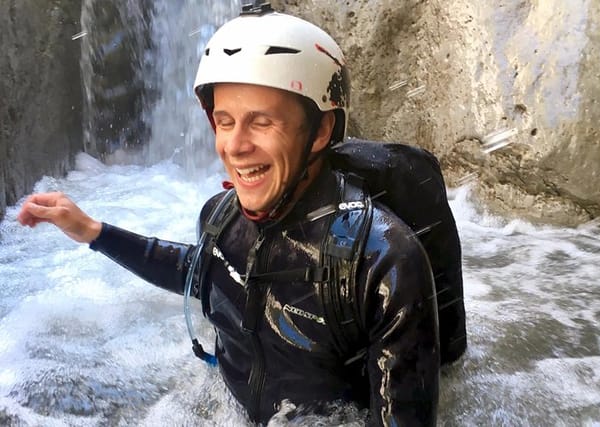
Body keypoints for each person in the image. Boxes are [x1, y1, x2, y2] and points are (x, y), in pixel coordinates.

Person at [18, 3, 463, 425]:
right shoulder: (221, 216)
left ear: (321, 130)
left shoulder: (384, 261)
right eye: (225, 121)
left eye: (262, 122)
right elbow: (205, 271)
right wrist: (94, 232)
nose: (235, 145)